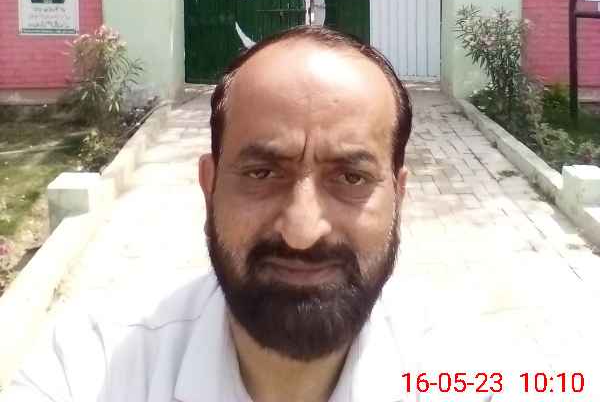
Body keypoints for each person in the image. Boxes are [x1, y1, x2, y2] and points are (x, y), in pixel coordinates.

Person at [1, 26, 536, 401]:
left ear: (399, 197)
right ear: (209, 187)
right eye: (262, 173)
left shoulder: (475, 375)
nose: (302, 231)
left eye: (351, 178)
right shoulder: (90, 369)